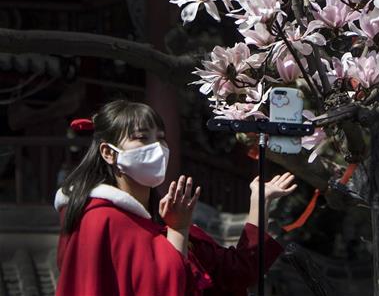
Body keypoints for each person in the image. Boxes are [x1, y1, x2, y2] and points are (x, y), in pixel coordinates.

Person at [54, 99, 297, 295]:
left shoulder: (160, 221)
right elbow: (163, 288)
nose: (158, 148)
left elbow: (238, 272)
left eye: (160, 138)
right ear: (108, 152)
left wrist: (259, 202)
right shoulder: (99, 219)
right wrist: (178, 229)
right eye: (142, 138)